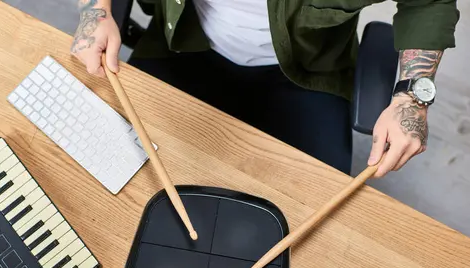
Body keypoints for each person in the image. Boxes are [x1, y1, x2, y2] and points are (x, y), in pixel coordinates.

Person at [70, 0, 459, 177]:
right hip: (183, 44)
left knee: (307, 219)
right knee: (112, 167)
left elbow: (429, 4)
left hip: (308, 73)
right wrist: (96, 9)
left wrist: (411, 98)